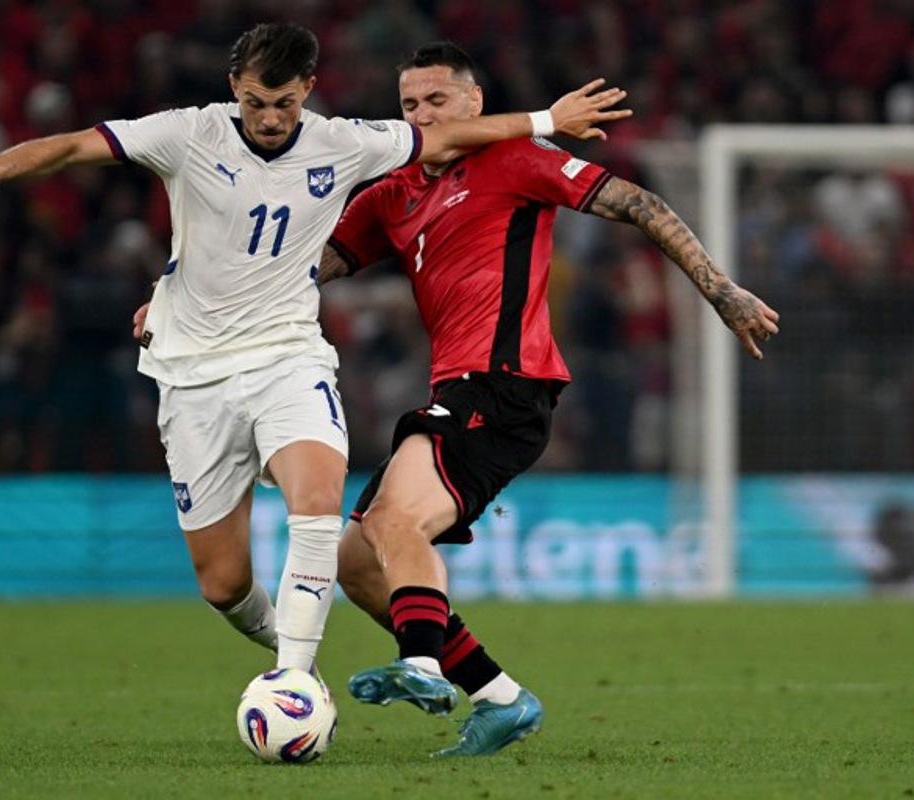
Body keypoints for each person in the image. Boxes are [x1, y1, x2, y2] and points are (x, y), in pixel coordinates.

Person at [0, 23, 630, 675]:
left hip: (286, 356)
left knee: (318, 499)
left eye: (282, 104)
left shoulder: (344, 142)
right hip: (192, 371)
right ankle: (291, 650)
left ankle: (294, 678)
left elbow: (451, 138)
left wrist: (545, 121)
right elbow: (70, 147)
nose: (268, 118)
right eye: (253, 102)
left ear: (306, 88)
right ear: (232, 85)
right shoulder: (186, 133)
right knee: (222, 582)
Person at [312, 42, 780, 756]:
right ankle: (501, 699)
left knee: (396, 520)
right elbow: (299, 270)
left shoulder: (514, 160)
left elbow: (640, 204)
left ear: (474, 104)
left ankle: (421, 663)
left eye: (437, 100)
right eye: (409, 105)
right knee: (356, 560)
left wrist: (721, 289)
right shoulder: (392, 194)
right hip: (459, 391)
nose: (422, 115)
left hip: (503, 386)